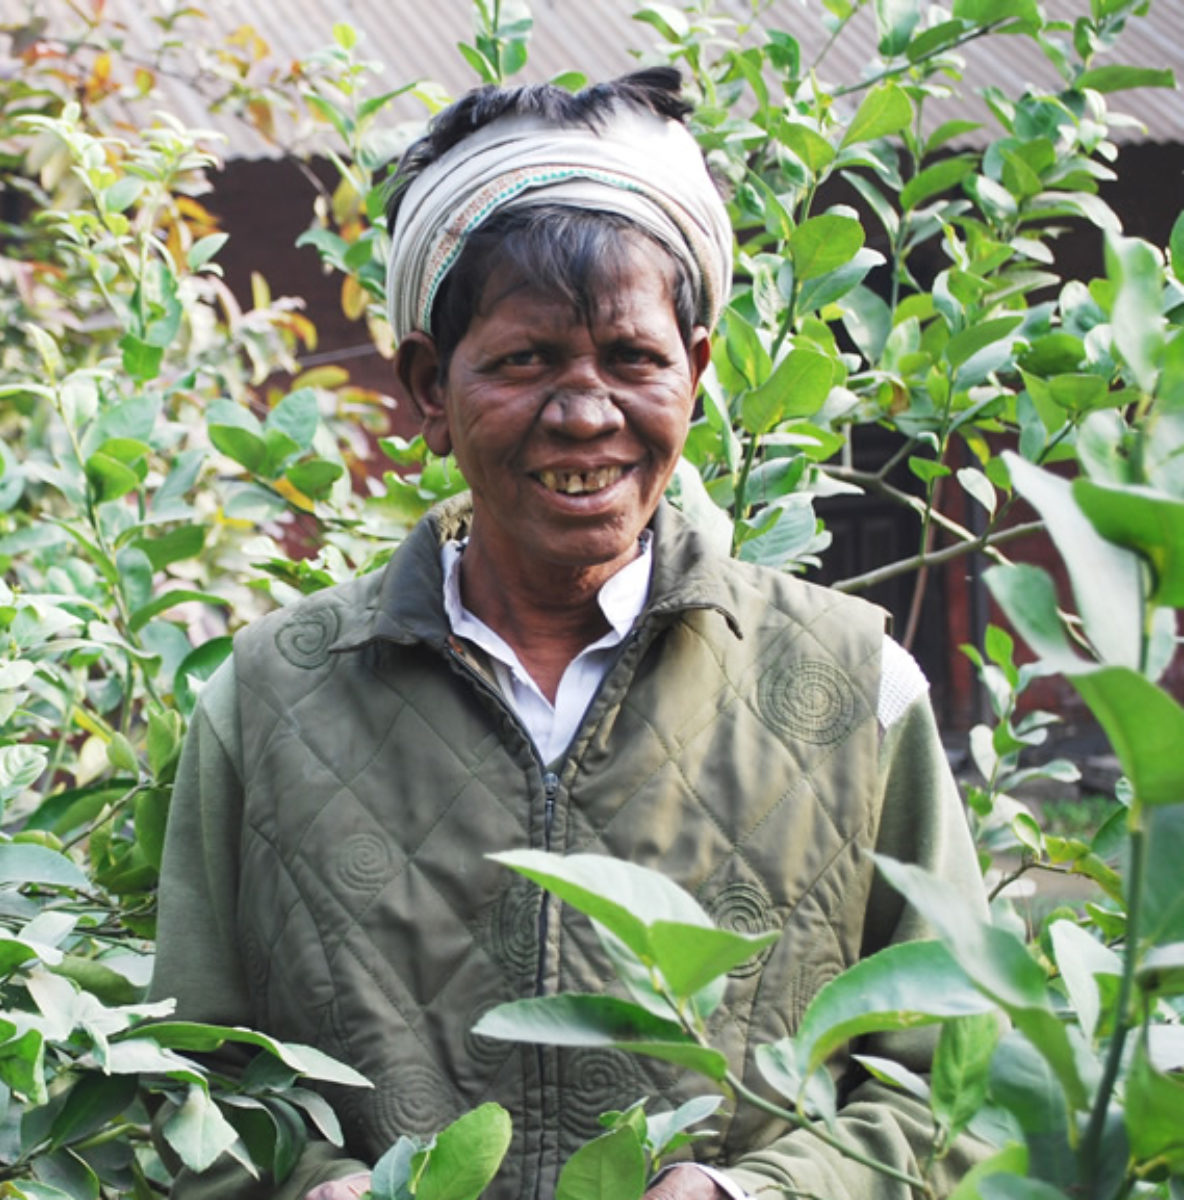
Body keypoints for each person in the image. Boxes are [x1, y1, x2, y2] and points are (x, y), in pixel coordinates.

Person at [149, 67, 988, 1200]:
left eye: (632, 359)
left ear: (693, 372)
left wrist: (759, 1192)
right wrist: (307, 1186)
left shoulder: (851, 686)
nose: (584, 412)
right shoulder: (271, 696)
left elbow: (958, 1078)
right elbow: (193, 1079)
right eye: (523, 360)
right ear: (426, 389)